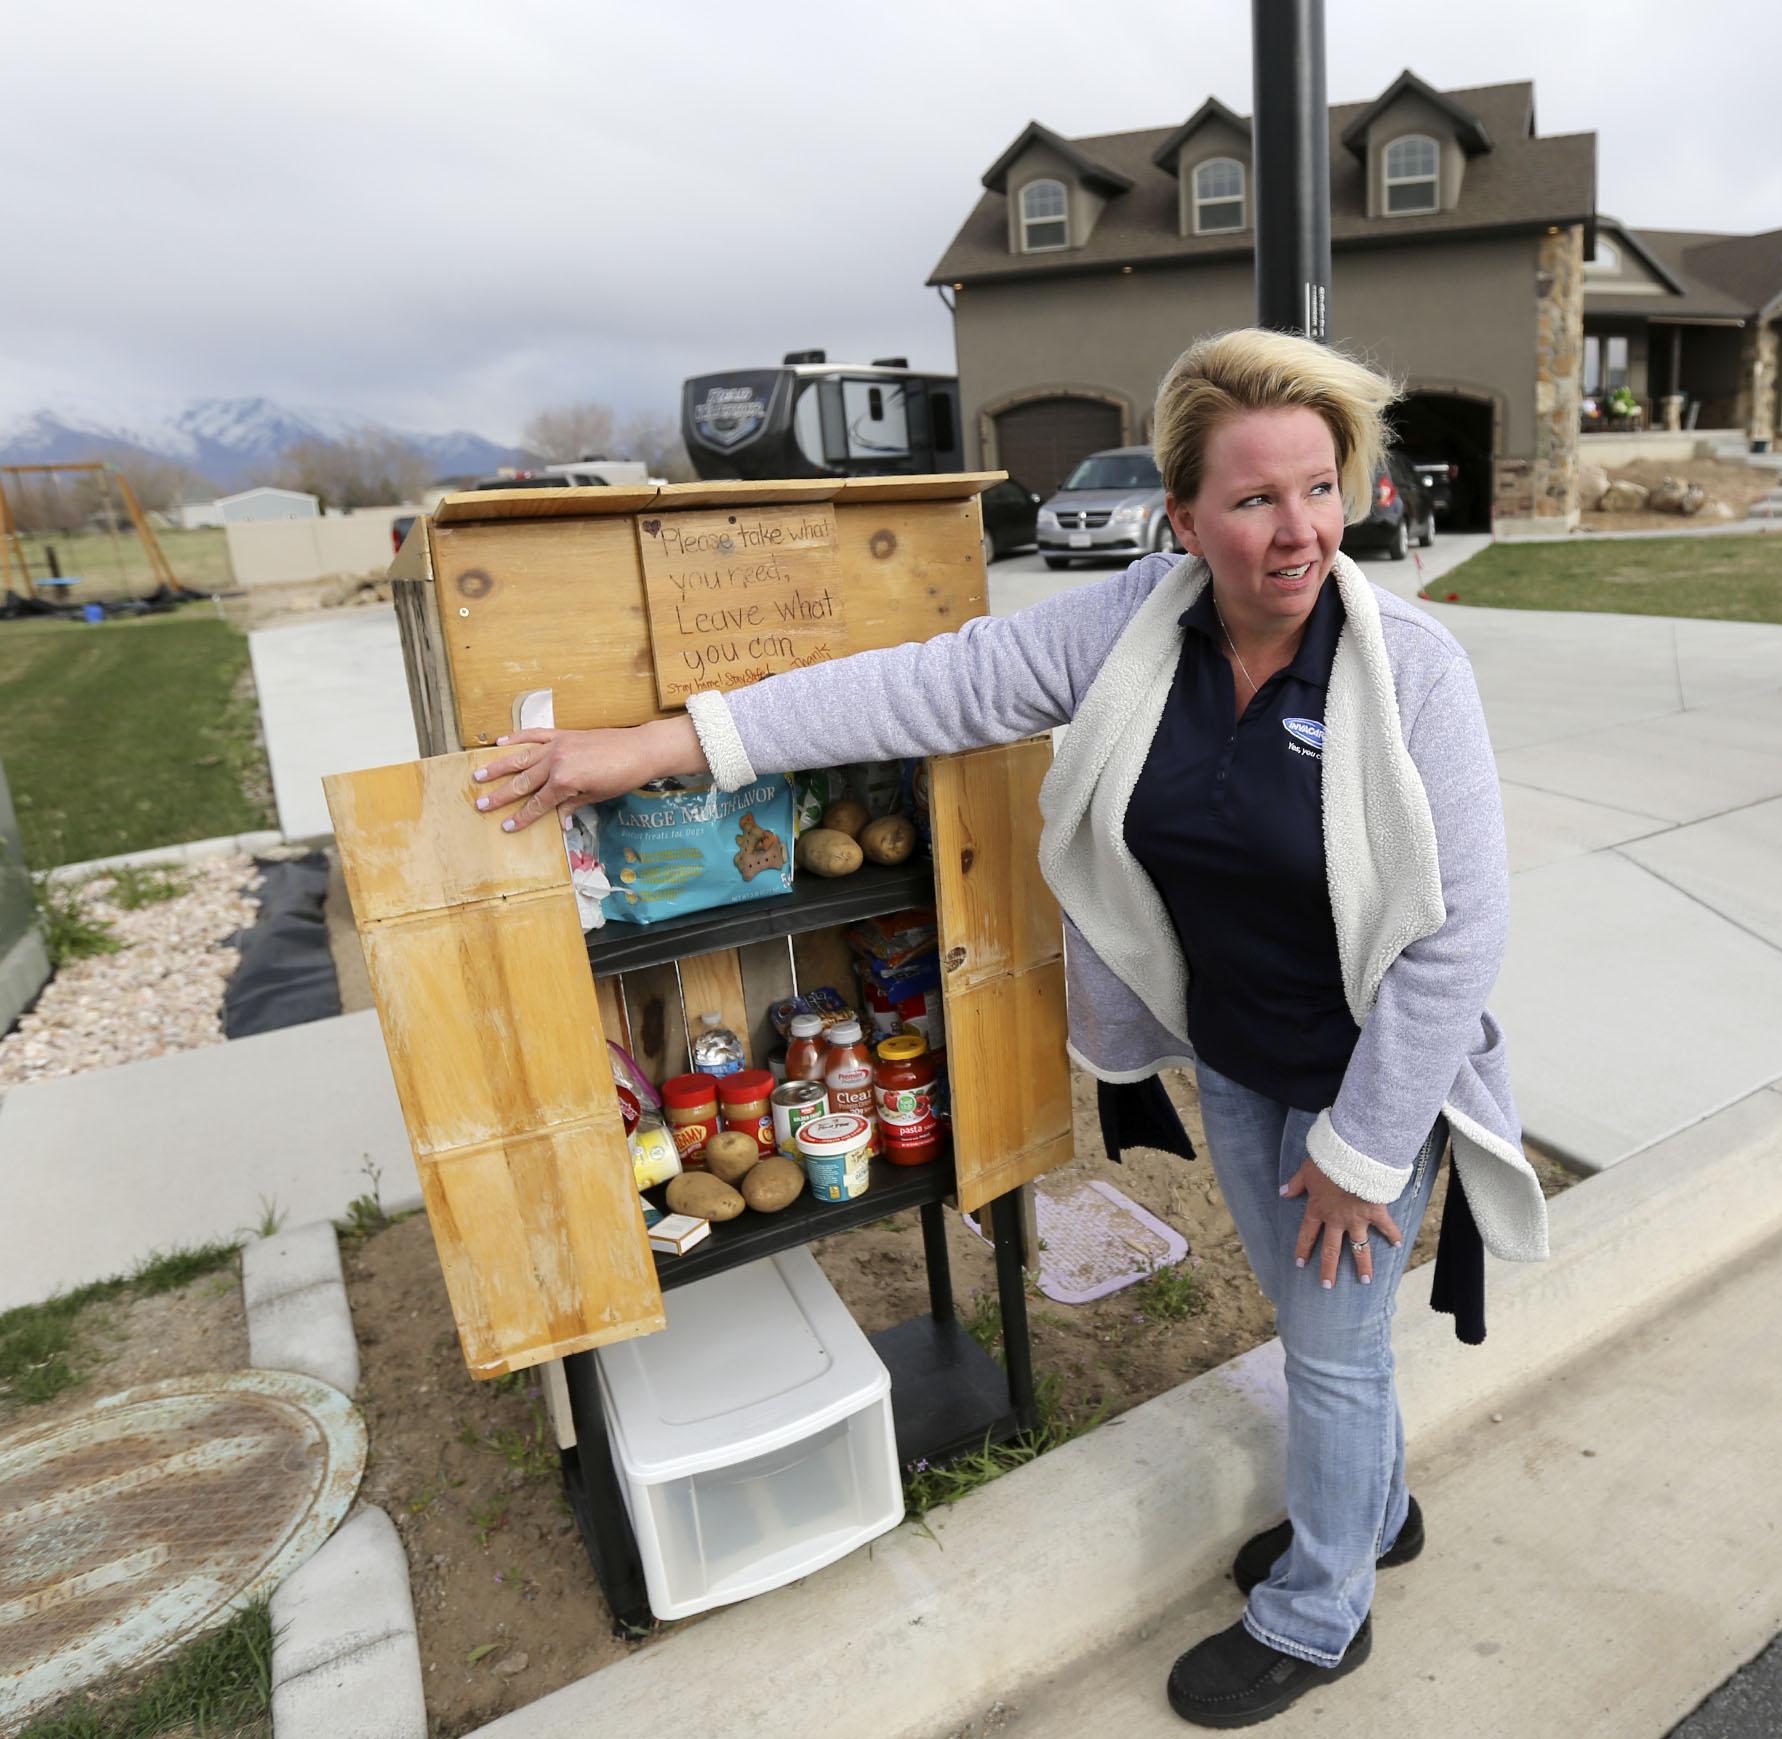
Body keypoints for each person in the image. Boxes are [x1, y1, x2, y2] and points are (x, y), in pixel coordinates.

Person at [472, 328, 1550, 1726]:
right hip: (1236, 1057)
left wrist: (1366, 1145)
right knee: (1306, 1317)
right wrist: (659, 747)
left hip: (1368, 1083)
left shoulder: (1409, 669)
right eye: (1254, 499)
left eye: (1320, 490)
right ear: (1182, 519)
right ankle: (1374, 1509)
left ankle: (1321, 1608)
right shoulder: (1132, 630)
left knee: (1331, 1349)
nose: (1299, 532)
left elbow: (1460, 933)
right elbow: (921, 684)